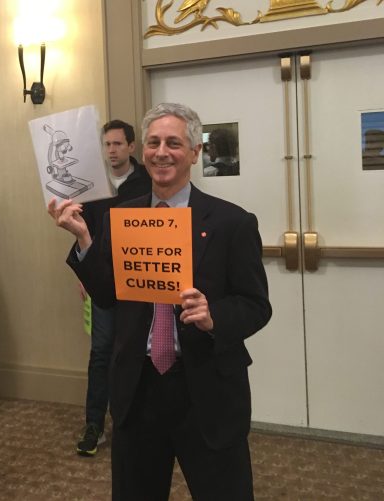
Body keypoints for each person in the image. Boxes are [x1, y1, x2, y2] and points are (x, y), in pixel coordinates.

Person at [48, 103, 272, 500]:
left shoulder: (231, 222)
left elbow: (256, 305)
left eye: (173, 143)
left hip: (206, 389)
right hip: (139, 389)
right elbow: (107, 295)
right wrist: (84, 239)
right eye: (153, 143)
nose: (161, 152)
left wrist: (214, 315)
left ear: (195, 152)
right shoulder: (122, 217)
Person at [76, 119, 151, 456]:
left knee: (138, 350)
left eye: (118, 144)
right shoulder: (93, 184)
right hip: (102, 278)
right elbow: (84, 230)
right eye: (107, 144)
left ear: (131, 146)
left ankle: (133, 421)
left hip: (140, 280)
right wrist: (83, 274)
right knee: (101, 351)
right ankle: (94, 424)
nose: (111, 150)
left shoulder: (147, 182)